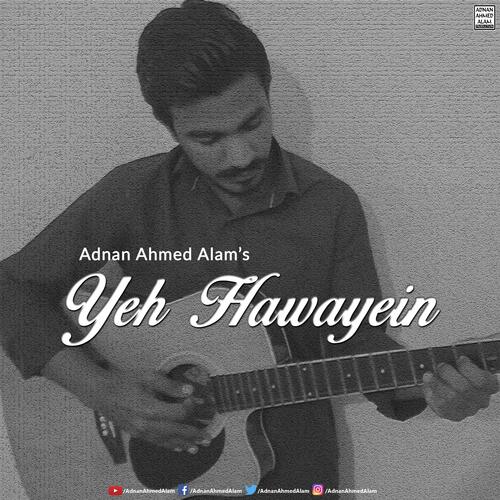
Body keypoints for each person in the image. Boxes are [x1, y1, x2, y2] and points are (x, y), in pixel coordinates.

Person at [0, 1, 497, 498]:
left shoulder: (330, 206)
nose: (239, 156)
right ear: (169, 127)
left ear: (267, 95)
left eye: (252, 124)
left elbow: (360, 348)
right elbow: (9, 288)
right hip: (162, 474)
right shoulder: (132, 194)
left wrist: (439, 388)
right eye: (207, 138)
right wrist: (104, 391)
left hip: (295, 474)